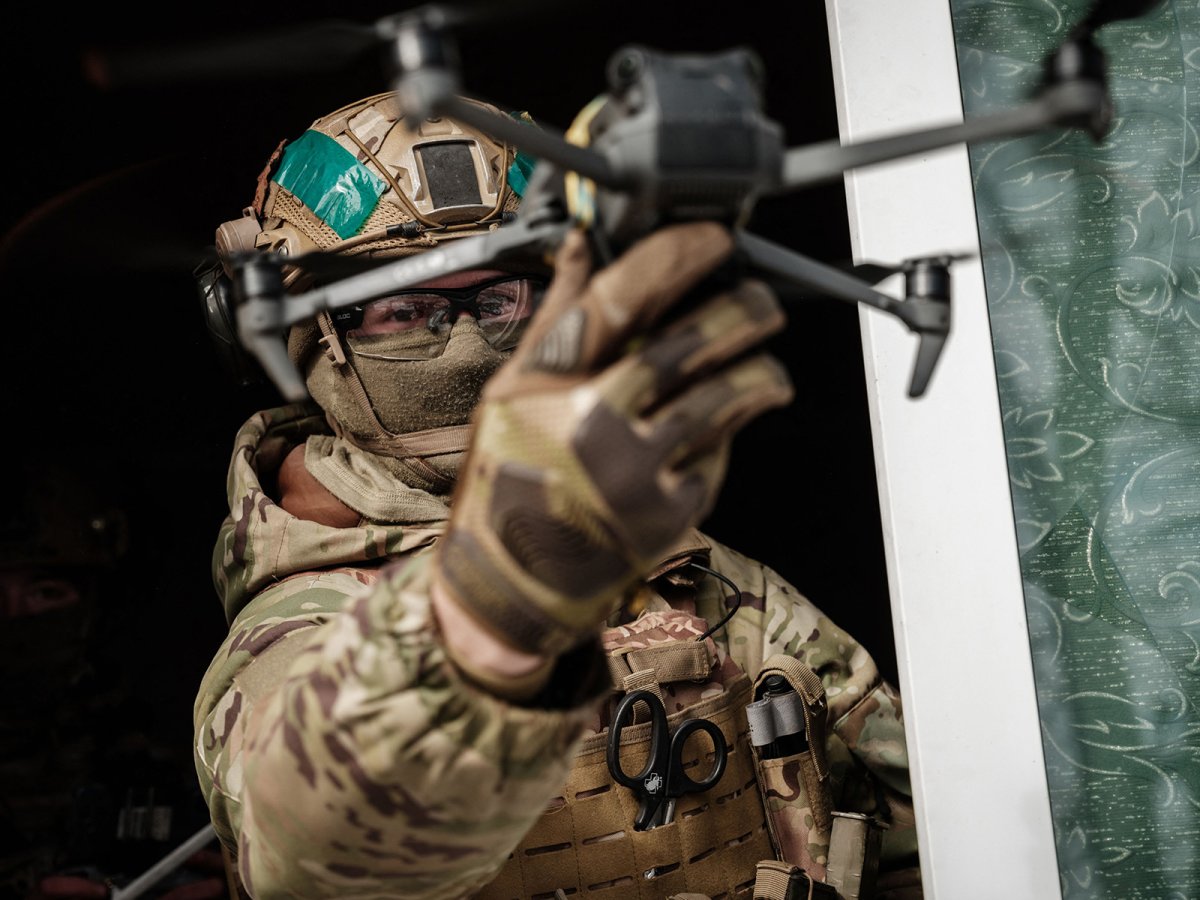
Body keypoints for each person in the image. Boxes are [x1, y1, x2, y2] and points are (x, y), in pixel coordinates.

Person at [192, 90, 923, 900]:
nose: (468, 344)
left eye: (500, 301)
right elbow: (307, 853)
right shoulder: (296, 631)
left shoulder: (693, 576)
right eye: (406, 309)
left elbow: (927, 827)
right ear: (313, 340)